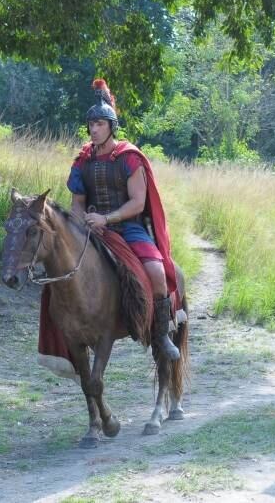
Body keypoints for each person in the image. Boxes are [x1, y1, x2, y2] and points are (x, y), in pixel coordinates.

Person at [67, 78, 180, 360]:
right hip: (94, 228)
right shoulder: (83, 160)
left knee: (156, 272)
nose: (94, 130)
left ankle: (161, 334)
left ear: (111, 127)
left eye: (100, 124)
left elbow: (138, 203)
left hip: (128, 227)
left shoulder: (129, 157)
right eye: (91, 125)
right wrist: (80, 224)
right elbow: (77, 204)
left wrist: (107, 218)